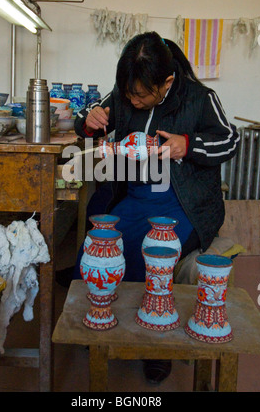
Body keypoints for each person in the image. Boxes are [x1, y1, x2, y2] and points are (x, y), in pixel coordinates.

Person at [72, 31, 240, 383]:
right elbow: (86, 117)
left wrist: (188, 144)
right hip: (135, 198)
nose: (131, 102)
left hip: (184, 204)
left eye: (141, 95)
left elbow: (229, 140)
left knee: (150, 248)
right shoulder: (125, 92)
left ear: (165, 83)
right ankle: (102, 319)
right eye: (128, 93)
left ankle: (155, 345)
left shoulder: (199, 98)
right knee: (100, 244)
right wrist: (90, 120)